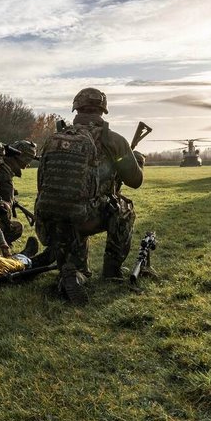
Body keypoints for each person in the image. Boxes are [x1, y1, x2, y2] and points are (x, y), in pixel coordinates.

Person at [35, 87, 144, 304]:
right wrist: (137, 162)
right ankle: (112, 270)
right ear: (103, 110)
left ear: (76, 108)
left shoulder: (53, 140)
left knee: (76, 268)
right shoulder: (114, 140)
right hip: (85, 217)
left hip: (49, 220)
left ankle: (73, 275)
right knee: (124, 208)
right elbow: (135, 180)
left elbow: (42, 182)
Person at [0, 140, 37, 246]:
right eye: (26, 161)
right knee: (16, 228)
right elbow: (4, 212)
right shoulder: (4, 174)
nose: (27, 165)